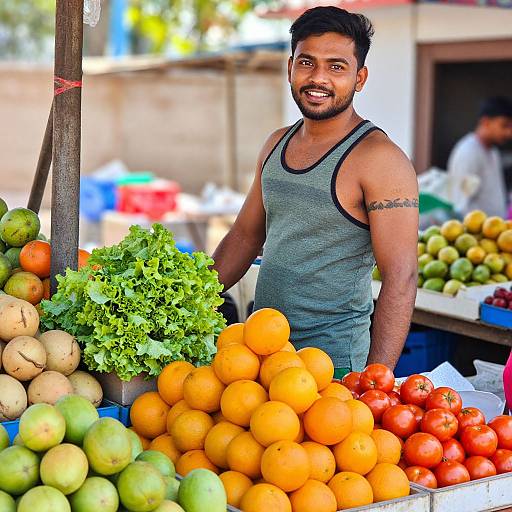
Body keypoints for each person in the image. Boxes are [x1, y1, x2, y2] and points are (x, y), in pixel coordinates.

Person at [212, 6, 418, 375]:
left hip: (333, 368)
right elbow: (244, 237)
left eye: (336, 66)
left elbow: (400, 277)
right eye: (307, 63)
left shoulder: (380, 160)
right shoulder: (276, 144)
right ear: (290, 66)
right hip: (262, 354)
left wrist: (375, 380)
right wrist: (187, 303)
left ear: (360, 77)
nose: (318, 78)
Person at [447, 96, 512, 219]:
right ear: (485, 122)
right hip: (474, 235)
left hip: (495, 231)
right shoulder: (468, 152)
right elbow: (460, 204)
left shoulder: (493, 152)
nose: (509, 133)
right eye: (504, 125)